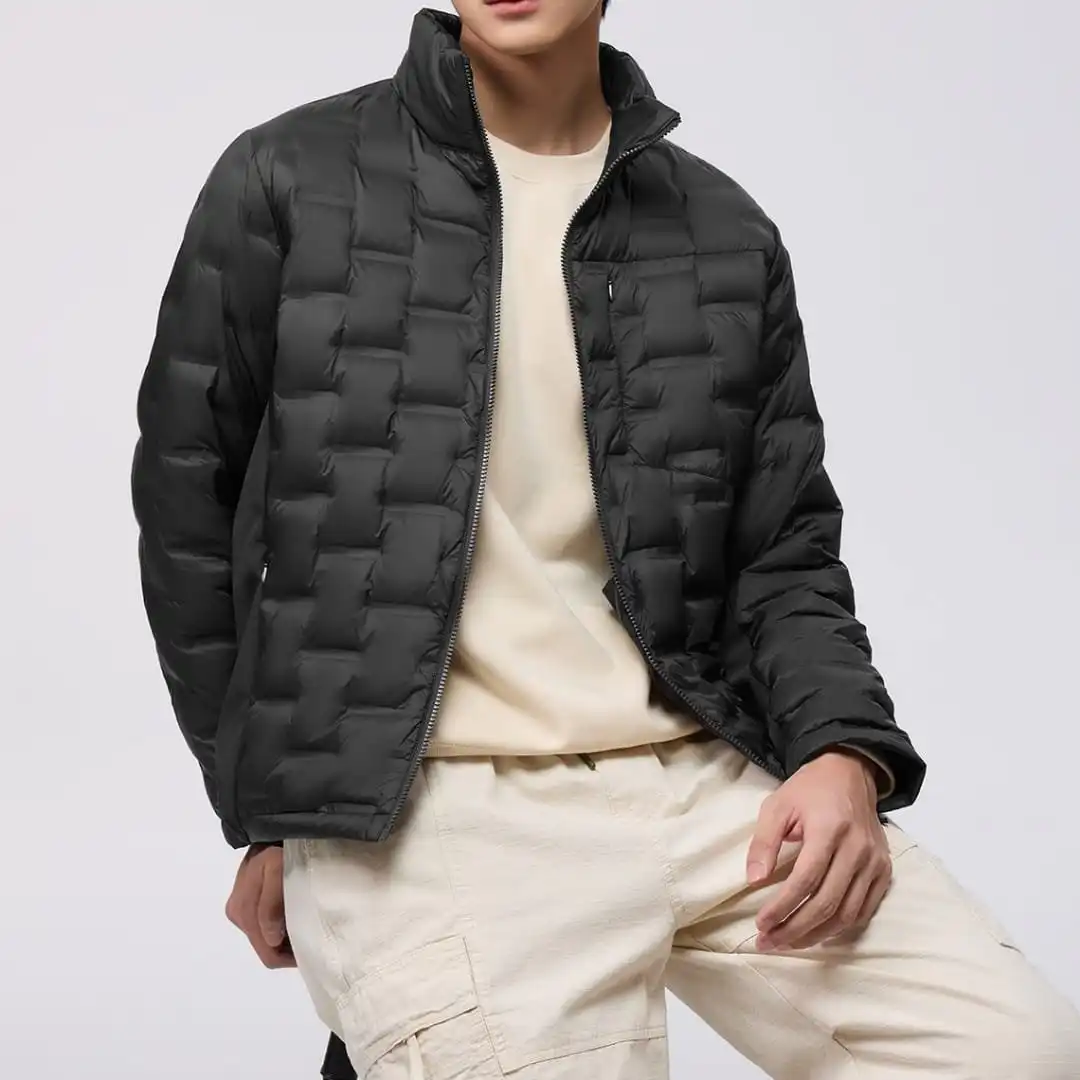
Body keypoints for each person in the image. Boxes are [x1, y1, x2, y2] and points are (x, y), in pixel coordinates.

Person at [132, 3, 1080, 1078]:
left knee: (1024, 1055)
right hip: (435, 814)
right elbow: (188, 513)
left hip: (709, 779)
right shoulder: (290, 179)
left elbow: (781, 549)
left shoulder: (720, 228)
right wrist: (274, 814)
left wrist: (840, 754)